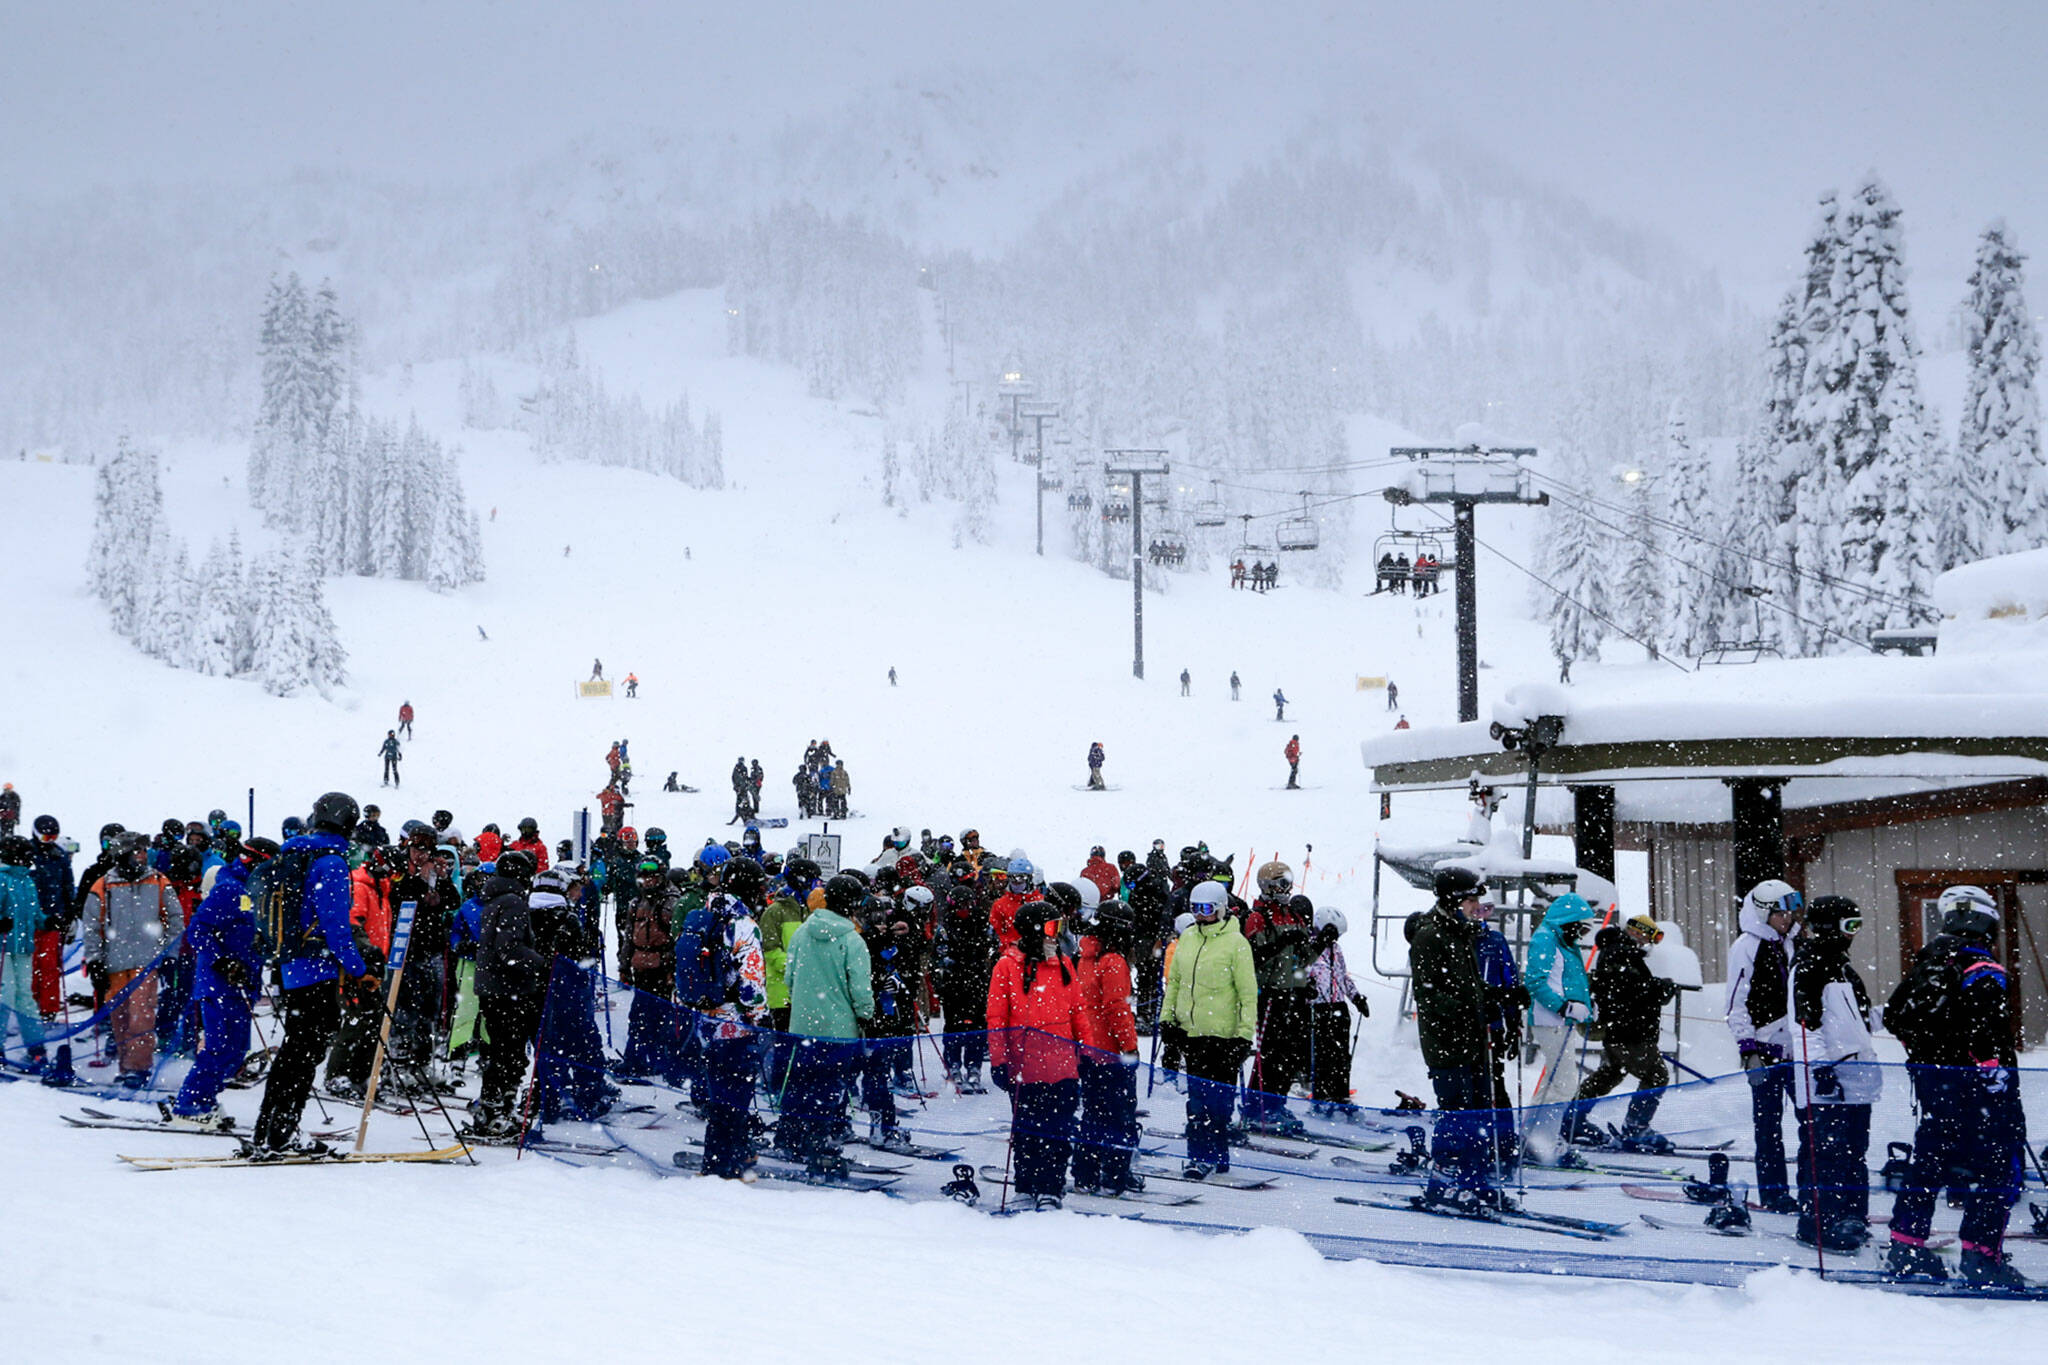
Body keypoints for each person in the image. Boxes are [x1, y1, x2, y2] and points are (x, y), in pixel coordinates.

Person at [1882, 885, 2029, 1288]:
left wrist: (1927, 1049)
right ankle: (1982, 1255)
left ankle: (1906, 1246)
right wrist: (1993, 1078)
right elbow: (1988, 1033)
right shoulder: (1982, 967)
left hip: (1934, 1087)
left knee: (1927, 1164)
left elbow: (1894, 1016)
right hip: (1978, 1091)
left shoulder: (1928, 961)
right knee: (1997, 1168)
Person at [250, 793, 371, 1156]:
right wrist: (358, 968)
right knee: (305, 1051)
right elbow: (336, 926)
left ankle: (267, 1127)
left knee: (294, 1049)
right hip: (316, 965)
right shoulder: (330, 862)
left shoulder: (294, 853)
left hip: (291, 964)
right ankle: (283, 1132)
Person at [1785, 895, 1879, 1255]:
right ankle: (1817, 1223)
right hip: (1826, 1079)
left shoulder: (1842, 967)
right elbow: (1804, 1025)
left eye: (1858, 926)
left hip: (1855, 1076)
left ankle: (1851, 1215)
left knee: (1854, 1151)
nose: (1854, 935)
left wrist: (1901, 1011)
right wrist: (1820, 1068)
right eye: (1849, 926)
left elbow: (1858, 1020)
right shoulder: (1809, 965)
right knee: (1824, 1152)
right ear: (1829, 927)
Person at [164, 837, 278, 1125]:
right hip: (219, 984)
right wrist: (222, 960)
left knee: (236, 1053)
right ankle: (190, 1106)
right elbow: (198, 930)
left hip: (243, 983)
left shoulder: (257, 892)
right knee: (219, 1048)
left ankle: (204, 1099)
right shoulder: (229, 889)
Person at [1408, 867, 1503, 1207]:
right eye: (1471, 900)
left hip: (1471, 1040)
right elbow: (1429, 995)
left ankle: (1475, 1180)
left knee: (1477, 1111)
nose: (1476, 906)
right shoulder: (1430, 935)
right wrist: (1474, 1011)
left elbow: (1468, 987)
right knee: (1456, 1112)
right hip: (1446, 1042)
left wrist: (1496, 997)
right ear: (1454, 900)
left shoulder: (1462, 933)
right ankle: (1445, 1182)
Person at [987, 899, 1086, 1210]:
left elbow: (1078, 1011)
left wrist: (1087, 1051)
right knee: (1027, 1130)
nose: (1054, 936)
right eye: (1049, 928)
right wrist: (999, 1061)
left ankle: (1051, 1187)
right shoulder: (1007, 966)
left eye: (1058, 928)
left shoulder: (1064, 964)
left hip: (1063, 1067)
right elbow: (996, 1018)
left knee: (1058, 1131)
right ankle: (1026, 1185)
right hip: (1025, 1068)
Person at [678, 858, 769, 1180]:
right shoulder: (743, 925)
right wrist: (759, 1016)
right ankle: (720, 1165)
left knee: (720, 1090)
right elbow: (751, 984)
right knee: (734, 1096)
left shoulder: (707, 915)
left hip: (706, 1019)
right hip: (734, 1024)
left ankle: (739, 1152)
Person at [781, 874, 875, 1180]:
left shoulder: (802, 933)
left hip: (802, 1026)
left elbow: (790, 978)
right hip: (838, 1029)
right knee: (830, 1088)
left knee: (800, 1084)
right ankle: (822, 1147)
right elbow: (860, 989)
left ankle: (791, 1139)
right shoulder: (852, 940)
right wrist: (866, 1014)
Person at [1162, 880, 1257, 1180]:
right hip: (1192, 1034)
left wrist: (1243, 1036)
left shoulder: (1236, 943)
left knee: (1218, 1103)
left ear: (1220, 909)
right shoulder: (1188, 938)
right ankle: (1200, 1156)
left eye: (1206, 909)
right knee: (1197, 1101)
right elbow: (1175, 982)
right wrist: (1168, 1020)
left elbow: (1247, 993)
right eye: (1194, 909)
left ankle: (1216, 1153)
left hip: (1223, 1038)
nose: (1200, 916)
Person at [81, 831, 182, 1087]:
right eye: (138, 850)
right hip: (113, 964)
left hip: (145, 962)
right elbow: (92, 927)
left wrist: (169, 953)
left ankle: (138, 1067)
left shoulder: (159, 881)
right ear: (123, 853)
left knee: (141, 1015)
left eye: (144, 850)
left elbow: (175, 918)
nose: (143, 855)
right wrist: (94, 960)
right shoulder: (102, 886)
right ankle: (126, 1065)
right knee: (120, 1017)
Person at [1726, 878, 1803, 1213]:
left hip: (1799, 1051)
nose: (1787, 919)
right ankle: (1774, 1193)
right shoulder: (1747, 946)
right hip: (1766, 1050)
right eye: (1779, 912)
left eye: (1791, 911)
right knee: (1769, 1127)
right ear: (1763, 914)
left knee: (1811, 1123)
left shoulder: (1794, 943)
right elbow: (1735, 1003)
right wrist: (1749, 1050)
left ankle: (1813, 1190)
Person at [1571, 914, 1679, 1153]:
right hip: (1631, 1032)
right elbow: (1630, 991)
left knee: (1610, 1074)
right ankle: (1636, 1127)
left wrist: (1655, 987)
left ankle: (1573, 1120)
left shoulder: (1617, 951)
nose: (1646, 944)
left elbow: (1627, 987)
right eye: (1647, 938)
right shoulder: (1620, 953)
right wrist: (1660, 988)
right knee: (1656, 1075)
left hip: (1621, 1029)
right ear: (1636, 932)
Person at [469, 849, 544, 1138]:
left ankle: (492, 1108)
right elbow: (508, 949)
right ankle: (498, 1112)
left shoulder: (494, 900)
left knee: (500, 1049)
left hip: (494, 988)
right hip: (507, 989)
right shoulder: (513, 902)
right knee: (508, 1052)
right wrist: (541, 963)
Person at [1072, 893, 1143, 1195]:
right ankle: (1115, 1175)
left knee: (1093, 1113)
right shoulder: (1113, 961)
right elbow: (1117, 1008)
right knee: (1119, 1116)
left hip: (1088, 1049)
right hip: (1110, 1052)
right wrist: (1129, 1046)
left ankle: (1085, 1173)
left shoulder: (1085, 958)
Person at [1521, 892, 1598, 1163]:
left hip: (1561, 1021)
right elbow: (1535, 982)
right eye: (1581, 927)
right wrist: (1563, 1007)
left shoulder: (1563, 942)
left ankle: (1530, 1137)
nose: (1582, 934)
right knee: (1564, 1085)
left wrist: (1586, 1005)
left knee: (1553, 1083)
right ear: (1569, 922)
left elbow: (1570, 980)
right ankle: (1544, 1142)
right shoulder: (1546, 939)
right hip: (1550, 1020)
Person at [1242, 869, 1314, 1136]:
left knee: (1290, 1052)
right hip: (1269, 992)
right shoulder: (1258, 918)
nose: (1287, 889)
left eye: (1289, 883)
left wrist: (1307, 980)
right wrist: (1281, 942)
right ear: (1268, 886)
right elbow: (1254, 958)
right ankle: (1257, 1106)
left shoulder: (1292, 915)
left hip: (1291, 992)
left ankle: (1276, 1102)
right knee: (1270, 1052)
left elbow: (1303, 956)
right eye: (1282, 884)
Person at [934, 860, 995, 1093]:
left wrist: (982, 960)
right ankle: (953, 1065)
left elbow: (992, 947)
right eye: (959, 905)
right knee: (953, 1027)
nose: (963, 909)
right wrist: (943, 974)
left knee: (977, 1027)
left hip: (977, 981)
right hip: (953, 983)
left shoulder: (982, 921)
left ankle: (974, 1066)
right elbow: (939, 953)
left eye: (967, 904)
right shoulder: (946, 925)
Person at [1305, 906, 1370, 1120]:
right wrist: (1307, 988)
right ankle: (1322, 1098)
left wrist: (1356, 998)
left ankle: (1341, 1095)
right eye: (1333, 934)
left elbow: (1343, 977)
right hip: (1319, 1007)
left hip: (1338, 1007)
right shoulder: (1310, 947)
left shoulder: (1336, 950)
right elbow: (1300, 971)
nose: (1335, 939)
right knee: (1323, 1055)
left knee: (1341, 1055)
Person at [0, 837, 48, 1069]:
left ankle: (36, 1047)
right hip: (3, 948)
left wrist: (52, 922)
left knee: (25, 998)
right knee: (5, 995)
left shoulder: (27, 881)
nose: (30, 859)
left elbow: (36, 915)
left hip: (23, 947)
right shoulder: (1, 878)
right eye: (25, 855)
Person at [27, 815, 74, 1027]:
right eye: (46, 836)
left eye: (53, 837)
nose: (49, 840)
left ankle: (48, 1008)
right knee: (28, 965)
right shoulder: (26, 853)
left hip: (53, 918)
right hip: (27, 919)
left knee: (49, 965)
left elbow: (67, 884)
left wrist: (68, 914)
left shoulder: (59, 855)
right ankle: (29, 1005)